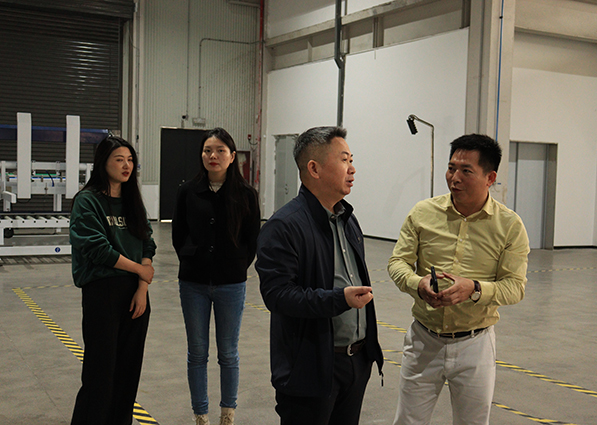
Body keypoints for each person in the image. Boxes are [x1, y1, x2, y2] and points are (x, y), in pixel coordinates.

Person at [388, 134, 530, 425]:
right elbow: (398, 262)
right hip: (424, 339)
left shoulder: (509, 226)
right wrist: (417, 284)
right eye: (451, 168)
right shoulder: (423, 213)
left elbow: (515, 287)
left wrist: (474, 289)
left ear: (490, 177)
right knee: (408, 421)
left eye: (466, 171)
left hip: (475, 345)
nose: (455, 178)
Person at [256, 126, 384, 425]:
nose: (352, 169)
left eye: (351, 160)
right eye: (344, 160)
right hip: (310, 368)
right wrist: (338, 299)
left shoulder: (348, 219)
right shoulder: (284, 226)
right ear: (314, 169)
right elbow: (277, 295)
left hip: (355, 362)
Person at [172, 128, 260, 425]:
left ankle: (227, 413)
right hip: (193, 282)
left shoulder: (246, 194)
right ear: (202, 155)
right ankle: (200, 414)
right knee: (197, 352)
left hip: (231, 283)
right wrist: (191, 257)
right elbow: (178, 234)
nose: (213, 155)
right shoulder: (188, 191)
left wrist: (236, 265)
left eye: (220, 150)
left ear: (232, 156)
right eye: (208, 150)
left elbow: (252, 239)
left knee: (228, 353)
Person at [69, 136, 156, 425]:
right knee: (100, 375)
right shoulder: (88, 201)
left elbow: (147, 244)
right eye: (119, 159)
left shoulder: (132, 202)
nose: (126, 165)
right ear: (103, 163)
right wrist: (139, 270)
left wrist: (142, 287)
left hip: (135, 295)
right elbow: (97, 249)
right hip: (102, 291)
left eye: (130, 160)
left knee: (127, 375)